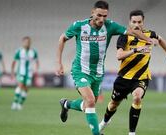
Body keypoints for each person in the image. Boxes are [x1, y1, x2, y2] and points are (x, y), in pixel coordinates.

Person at [56, 1, 155, 135]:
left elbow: (131, 31)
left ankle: (67, 104)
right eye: (99, 15)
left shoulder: (110, 26)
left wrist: (147, 40)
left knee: (88, 105)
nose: (102, 19)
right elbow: (62, 38)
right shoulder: (79, 26)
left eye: (105, 16)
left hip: (97, 73)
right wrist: (59, 63)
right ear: (92, 13)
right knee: (90, 101)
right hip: (80, 71)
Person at [98, 10, 166, 135]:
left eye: (139, 22)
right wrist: (136, 50)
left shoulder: (150, 34)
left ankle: (132, 133)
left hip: (142, 77)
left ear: (143, 22)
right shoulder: (124, 36)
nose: (137, 24)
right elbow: (119, 56)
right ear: (130, 22)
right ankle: (105, 121)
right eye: (134, 22)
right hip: (124, 77)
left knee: (137, 97)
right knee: (113, 104)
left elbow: (160, 39)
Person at [11, 36, 39, 110]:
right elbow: (14, 62)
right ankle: (15, 103)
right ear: (23, 42)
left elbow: (37, 61)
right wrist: (12, 72)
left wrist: (36, 70)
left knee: (26, 89)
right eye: (26, 42)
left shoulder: (33, 52)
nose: (27, 43)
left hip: (29, 73)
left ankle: (20, 104)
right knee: (20, 85)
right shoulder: (19, 51)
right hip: (21, 72)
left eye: (29, 42)